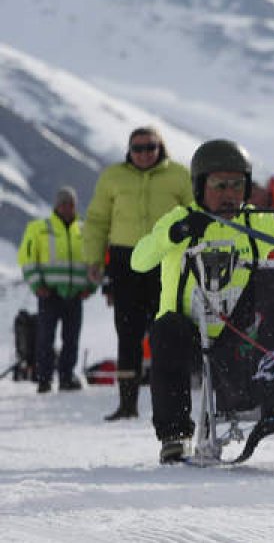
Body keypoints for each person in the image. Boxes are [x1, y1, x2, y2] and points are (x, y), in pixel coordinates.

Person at [131, 139, 274, 463]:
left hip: (243, 332)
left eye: (237, 185)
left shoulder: (256, 222)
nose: (229, 193)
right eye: (219, 185)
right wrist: (176, 233)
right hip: (189, 327)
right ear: (200, 186)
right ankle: (174, 436)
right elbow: (139, 260)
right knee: (165, 329)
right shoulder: (179, 219)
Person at [83, 127, 192, 421]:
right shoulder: (112, 177)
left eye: (150, 147)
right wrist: (93, 259)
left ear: (161, 147)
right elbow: (96, 220)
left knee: (165, 331)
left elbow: (195, 216)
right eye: (138, 148)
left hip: (166, 260)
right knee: (127, 333)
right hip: (124, 261)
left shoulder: (179, 175)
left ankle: (169, 403)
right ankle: (127, 403)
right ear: (128, 150)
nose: (144, 153)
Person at [18, 187, 96, 393]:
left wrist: (91, 286)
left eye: (71, 203)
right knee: (45, 337)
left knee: (71, 338)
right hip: (49, 294)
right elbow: (27, 259)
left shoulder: (84, 230)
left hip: (75, 295)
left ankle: (66, 377)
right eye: (63, 203)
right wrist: (37, 285)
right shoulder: (40, 228)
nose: (67, 207)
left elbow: (95, 260)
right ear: (56, 205)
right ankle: (44, 379)